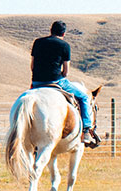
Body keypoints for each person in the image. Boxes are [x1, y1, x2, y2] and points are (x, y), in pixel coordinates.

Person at [30, 20, 100, 148]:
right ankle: (86, 130)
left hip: (36, 82)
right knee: (84, 97)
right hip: (56, 81)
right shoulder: (64, 45)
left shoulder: (38, 42)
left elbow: (32, 66)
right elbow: (66, 72)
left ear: (51, 30)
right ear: (64, 33)